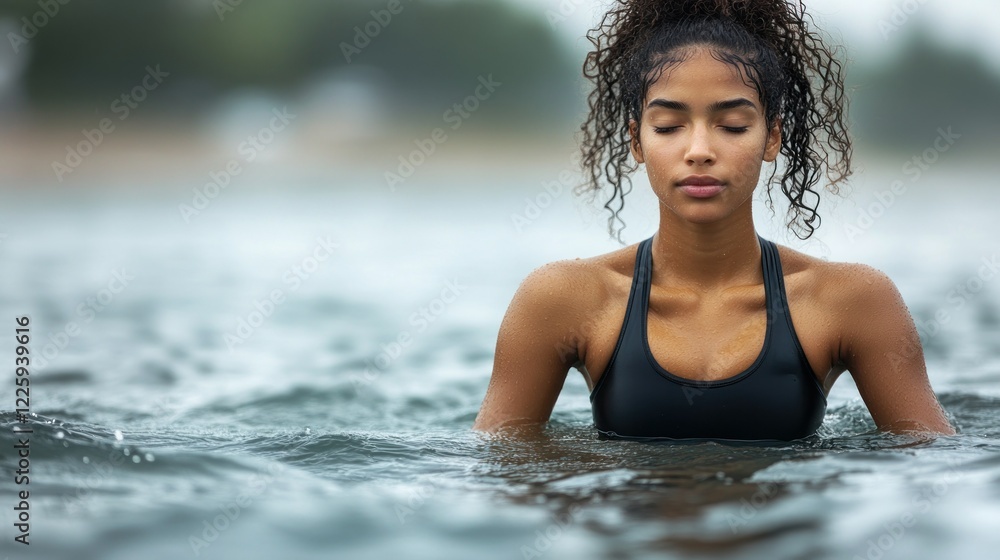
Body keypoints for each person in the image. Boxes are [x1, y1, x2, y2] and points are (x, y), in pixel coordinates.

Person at [472, 0, 955, 440]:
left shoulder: (852, 301)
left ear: (772, 137)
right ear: (636, 142)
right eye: (668, 126)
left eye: (732, 126)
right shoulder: (562, 300)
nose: (699, 150)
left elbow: (932, 461)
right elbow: (500, 464)